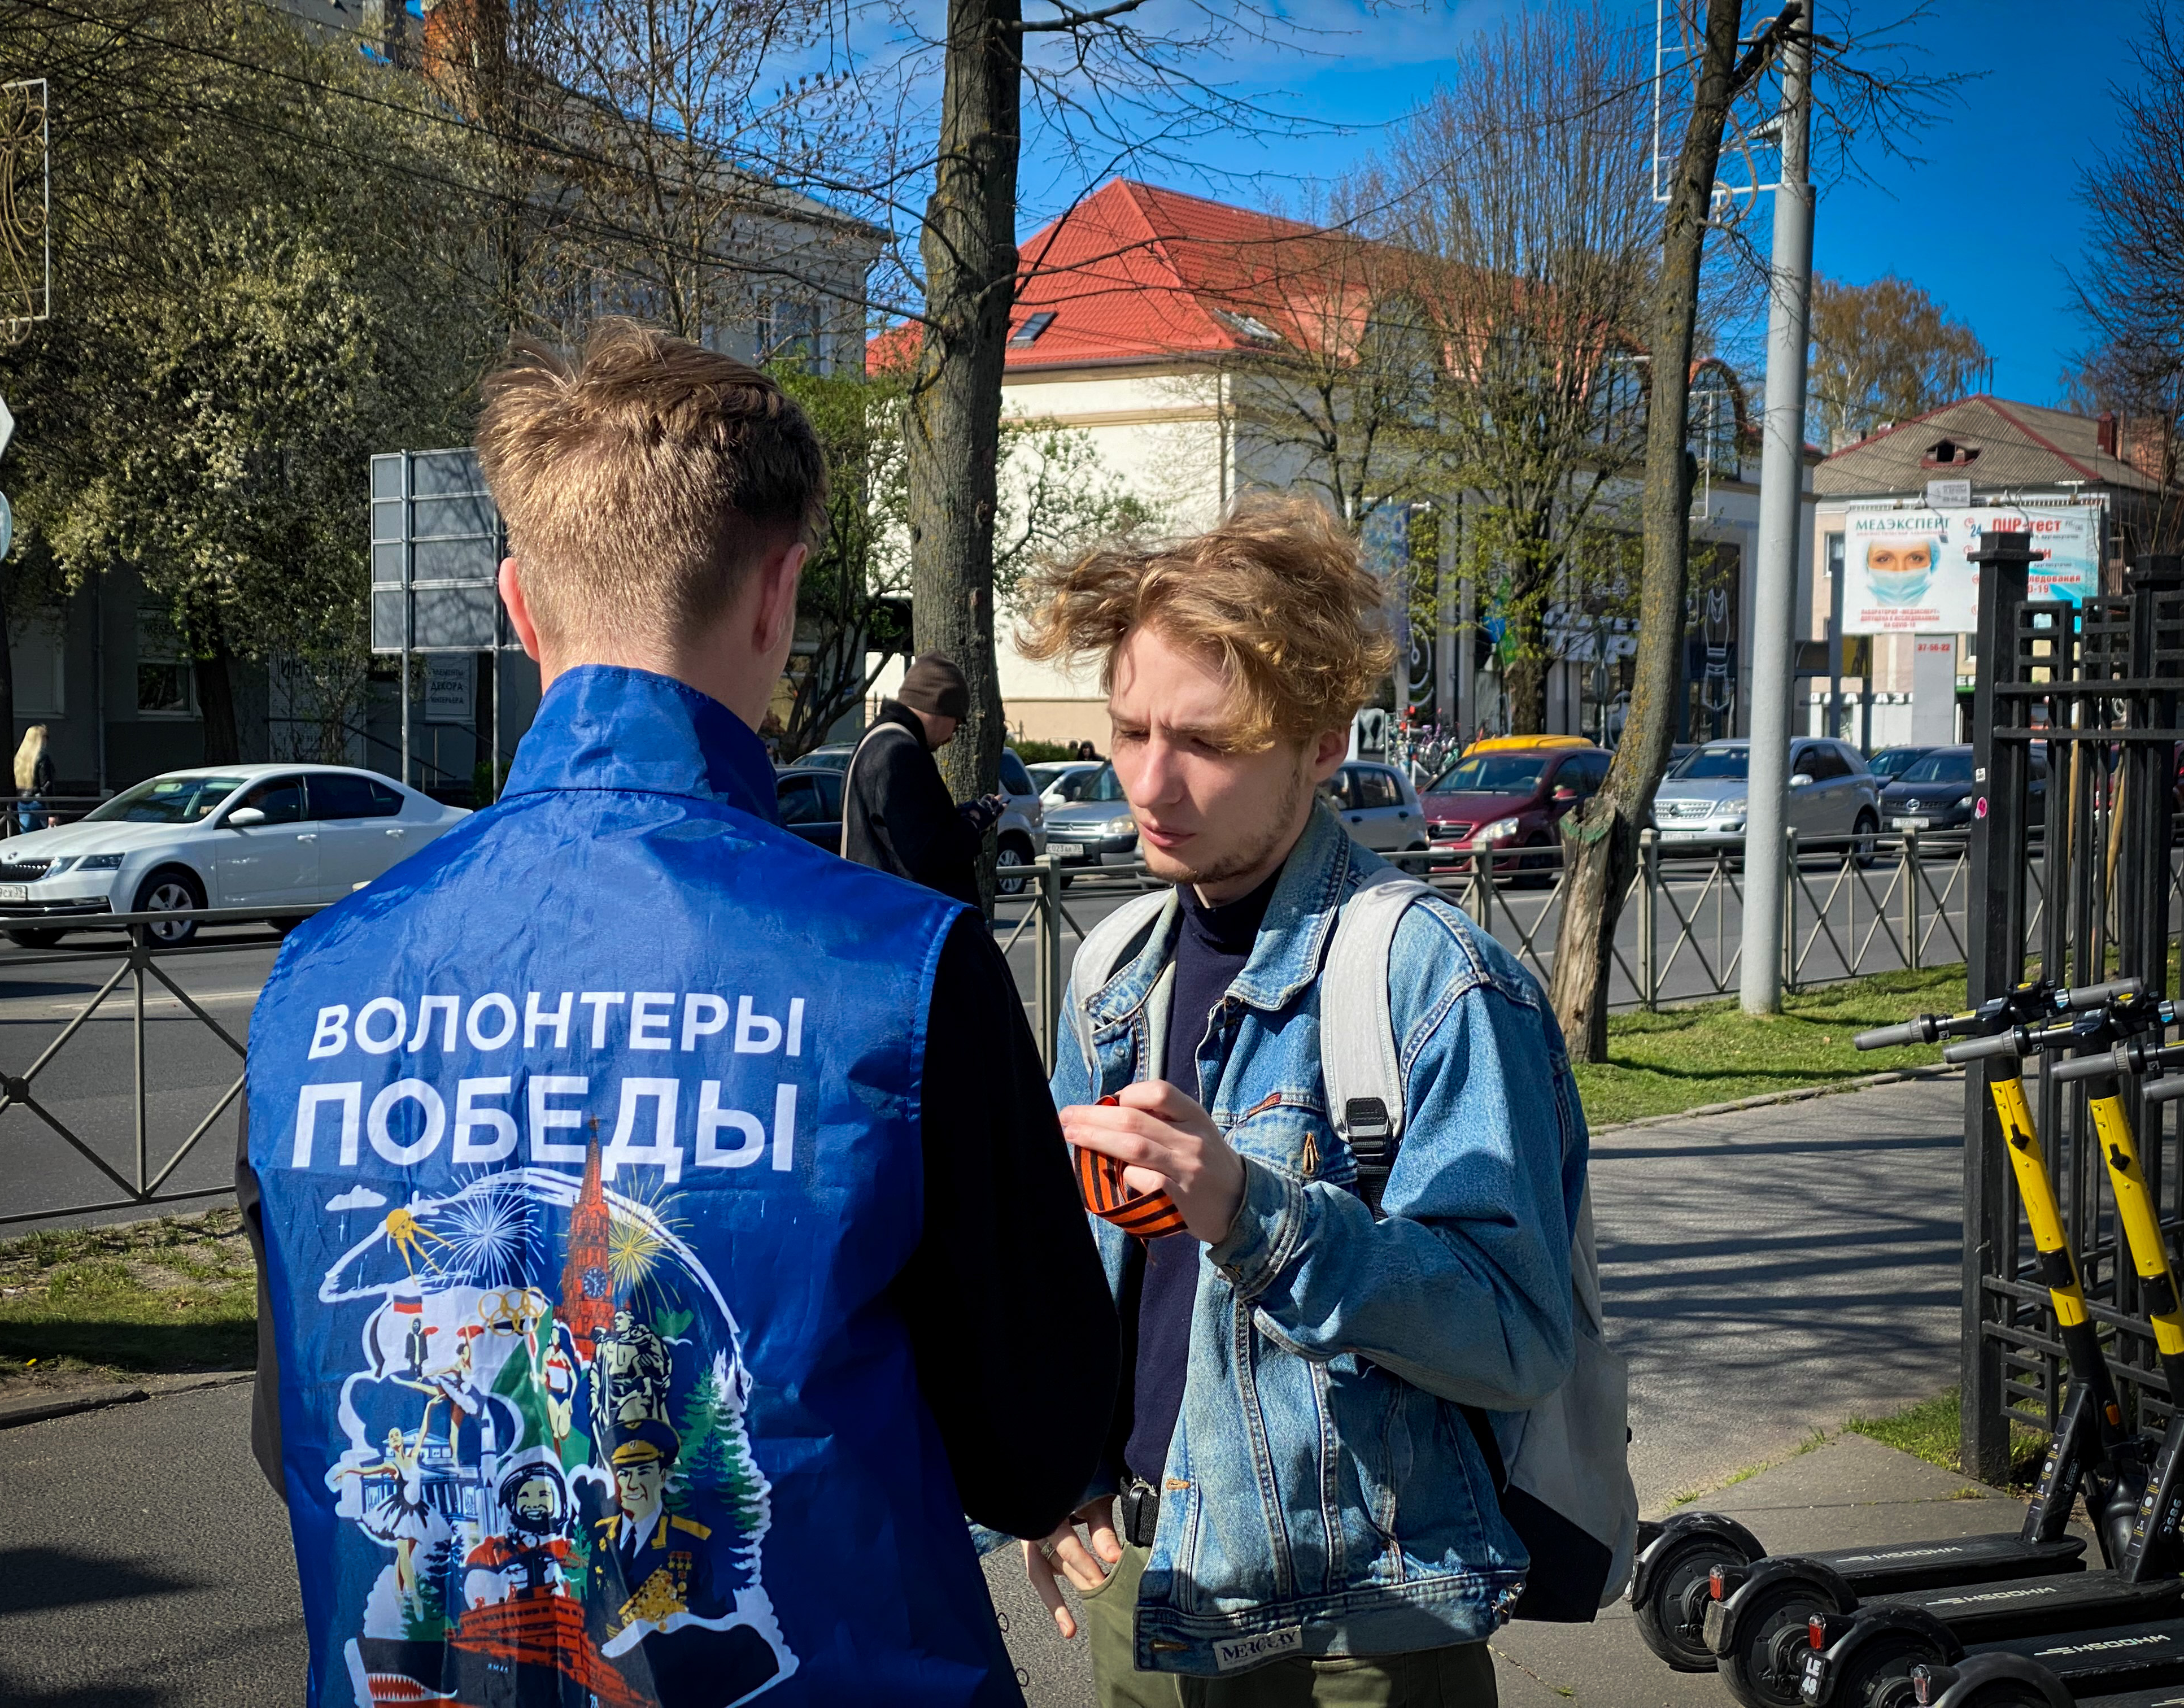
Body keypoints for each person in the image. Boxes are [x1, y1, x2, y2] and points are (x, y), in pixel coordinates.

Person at [237, 321, 1118, 1707]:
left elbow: (283, 1411)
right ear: (777, 595)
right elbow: (1036, 1436)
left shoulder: (318, 979)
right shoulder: (900, 966)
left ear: (520, 608)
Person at [1014, 495, 1586, 1706]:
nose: (1150, 784)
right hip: (1145, 1590)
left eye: (1207, 744)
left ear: (1324, 740)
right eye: (1128, 732)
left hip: (1358, 1629)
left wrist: (1255, 1215)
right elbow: (1075, 1273)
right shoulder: (1113, 969)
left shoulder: (1435, 975)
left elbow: (1516, 1333)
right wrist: (1053, 1479)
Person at [841, 651, 1004, 909]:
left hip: (875, 911)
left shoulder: (875, 740)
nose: (952, 737)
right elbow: (926, 855)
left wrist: (959, 818)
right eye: (958, 723)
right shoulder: (901, 752)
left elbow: (907, 833)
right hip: (907, 925)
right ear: (940, 705)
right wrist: (973, 824)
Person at [12, 724, 53, 834]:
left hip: (22, 800)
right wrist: (53, 812)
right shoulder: (42, 757)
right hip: (40, 802)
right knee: (47, 836)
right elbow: (46, 786)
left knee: (26, 834)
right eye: (46, 737)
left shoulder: (20, 758)